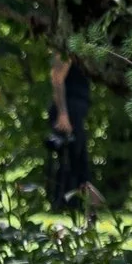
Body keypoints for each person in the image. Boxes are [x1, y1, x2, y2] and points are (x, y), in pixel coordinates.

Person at [47, 52, 102, 216]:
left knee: (78, 159)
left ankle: (84, 205)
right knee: (74, 160)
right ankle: (68, 203)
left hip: (76, 112)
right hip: (68, 113)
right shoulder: (67, 50)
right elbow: (57, 79)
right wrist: (63, 113)